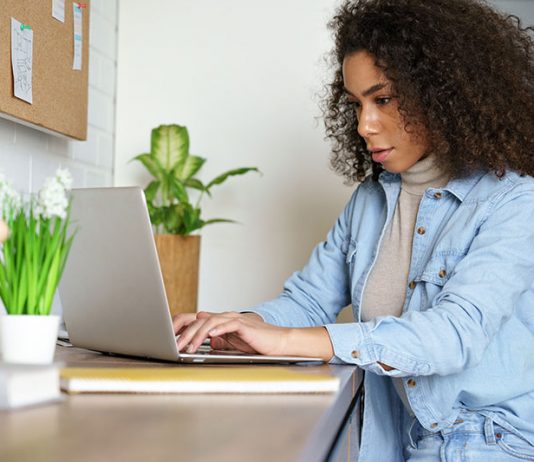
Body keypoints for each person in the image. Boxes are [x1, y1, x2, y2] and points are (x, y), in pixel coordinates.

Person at [172, 0, 534, 460]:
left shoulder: (515, 201)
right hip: (397, 438)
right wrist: (239, 327)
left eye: (383, 99)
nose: (365, 124)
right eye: (356, 104)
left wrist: (285, 342)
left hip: (488, 444)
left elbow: (454, 335)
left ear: (444, 93)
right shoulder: (371, 200)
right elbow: (307, 300)